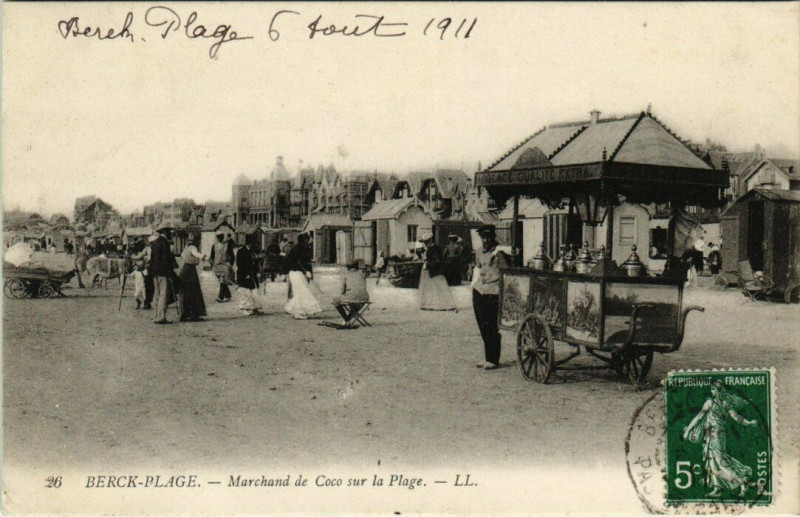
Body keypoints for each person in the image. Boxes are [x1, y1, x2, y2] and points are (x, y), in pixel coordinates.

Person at [683, 381, 757, 497]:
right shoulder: (725, 403)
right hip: (713, 434)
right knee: (711, 461)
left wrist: (687, 431)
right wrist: (748, 423)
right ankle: (717, 489)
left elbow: (698, 417)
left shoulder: (710, 402)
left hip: (715, 434)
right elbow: (736, 417)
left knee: (720, 461)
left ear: (717, 391)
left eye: (713, 389)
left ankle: (742, 482)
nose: (711, 391)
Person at [472, 225, 509, 370]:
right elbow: (477, 268)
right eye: (483, 237)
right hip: (479, 290)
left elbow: (506, 270)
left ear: (493, 237)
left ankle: (493, 359)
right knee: (482, 325)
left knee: (491, 325)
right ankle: (487, 357)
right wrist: (473, 286)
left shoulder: (500, 252)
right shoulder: (479, 251)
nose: (486, 240)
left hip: (493, 291)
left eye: (488, 237)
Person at [284, 233, 322, 319]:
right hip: (298, 272)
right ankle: (299, 313)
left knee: (300, 291)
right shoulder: (300, 248)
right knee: (302, 292)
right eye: (307, 239)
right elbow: (299, 261)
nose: (309, 241)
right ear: (304, 240)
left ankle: (296, 310)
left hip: (295, 272)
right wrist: (306, 271)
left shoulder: (297, 248)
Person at [418, 233, 457, 311]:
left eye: (426, 242)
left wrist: (428, 264)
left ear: (430, 241)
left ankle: (446, 305)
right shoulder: (430, 248)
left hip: (435, 270)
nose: (425, 244)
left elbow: (437, 261)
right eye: (424, 242)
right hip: (430, 270)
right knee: (430, 287)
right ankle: (429, 304)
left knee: (439, 287)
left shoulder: (434, 248)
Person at [150, 228, 178, 324]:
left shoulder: (154, 242)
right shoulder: (165, 243)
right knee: (163, 294)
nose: (171, 234)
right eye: (169, 233)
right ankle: (161, 317)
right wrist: (170, 274)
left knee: (156, 295)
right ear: (165, 232)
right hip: (163, 272)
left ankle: (156, 316)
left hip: (155, 273)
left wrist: (152, 272)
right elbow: (167, 260)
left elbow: (152, 259)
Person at [178, 234, 207, 322]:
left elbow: (182, 255)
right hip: (190, 271)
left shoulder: (186, 247)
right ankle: (194, 314)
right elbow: (196, 254)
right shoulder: (193, 247)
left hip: (184, 270)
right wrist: (203, 256)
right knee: (194, 292)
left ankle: (184, 314)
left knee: (185, 293)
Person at [235, 240, 263, 316]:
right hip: (244, 274)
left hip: (252, 274)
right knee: (245, 292)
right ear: (248, 243)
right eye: (253, 243)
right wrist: (246, 274)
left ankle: (254, 308)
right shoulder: (241, 251)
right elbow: (239, 263)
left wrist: (257, 271)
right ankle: (246, 309)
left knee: (254, 291)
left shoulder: (252, 251)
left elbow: (255, 262)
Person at [209, 231, 234, 303]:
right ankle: (228, 295)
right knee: (222, 281)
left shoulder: (227, 245)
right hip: (216, 266)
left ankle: (220, 297)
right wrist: (211, 264)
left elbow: (231, 255)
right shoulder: (214, 246)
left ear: (223, 236)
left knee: (222, 280)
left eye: (221, 236)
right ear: (217, 237)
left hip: (225, 265)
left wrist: (231, 264)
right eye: (218, 237)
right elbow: (212, 256)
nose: (220, 238)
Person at [131, 242, 154, 309]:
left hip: (151, 268)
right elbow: (139, 256)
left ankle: (148, 302)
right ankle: (147, 302)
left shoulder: (150, 248)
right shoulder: (147, 248)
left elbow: (140, 256)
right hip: (148, 269)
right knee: (148, 286)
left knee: (149, 286)